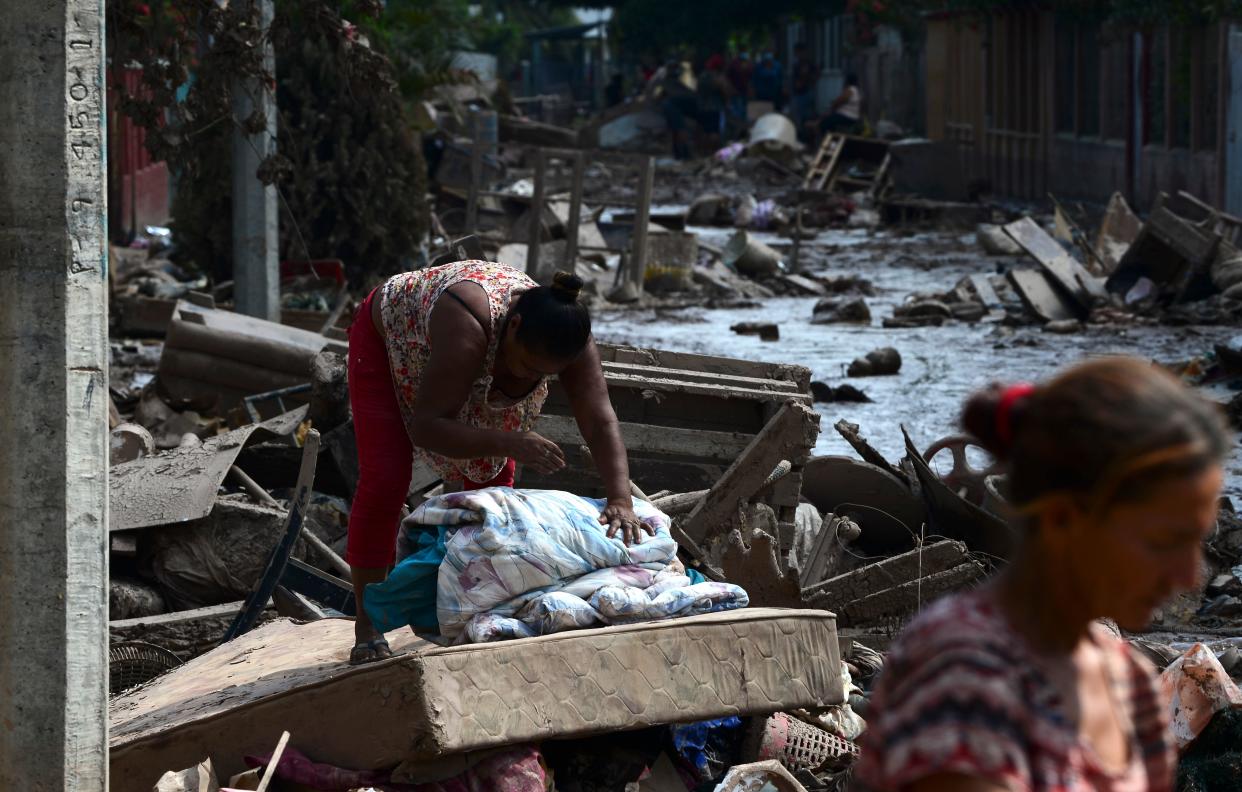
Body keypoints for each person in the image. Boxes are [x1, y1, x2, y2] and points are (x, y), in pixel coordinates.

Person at [855, 357, 1228, 791]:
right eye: (1164, 540)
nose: (1187, 574)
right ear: (1064, 517)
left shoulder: (1131, 683)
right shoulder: (960, 676)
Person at [345, 262, 648, 663]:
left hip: (466, 353)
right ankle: (368, 627)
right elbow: (427, 427)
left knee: (492, 500)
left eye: (545, 376)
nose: (528, 380)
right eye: (527, 367)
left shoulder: (570, 336)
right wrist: (511, 441)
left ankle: (474, 614)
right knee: (386, 481)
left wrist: (620, 498)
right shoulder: (467, 328)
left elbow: (599, 418)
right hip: (392, 338)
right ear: (515, 326)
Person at [696, 54, 730, 152]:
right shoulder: (717, 77)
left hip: (702, 108)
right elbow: (725, 91)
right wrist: (727, 103)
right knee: (714, 133)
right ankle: (712, 153)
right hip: (715, 108)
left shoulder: (702, 76)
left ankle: (703, 153)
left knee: (705, 132)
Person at [790, 43, 819, 141]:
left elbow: (815, 76)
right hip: (798, 93)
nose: (796, 54)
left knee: (807, 116)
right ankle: (803, 136)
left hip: (806, 92)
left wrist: (805, 79)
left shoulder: (808, 64)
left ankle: (808, 138)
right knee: (799, 116)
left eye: (797, 52)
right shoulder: (797, 64)